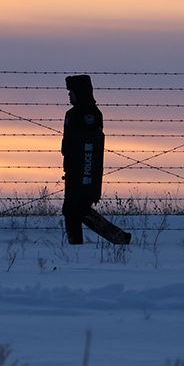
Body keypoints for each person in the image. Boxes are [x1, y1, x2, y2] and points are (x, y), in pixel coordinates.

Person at [60, 75, 131, 245]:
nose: (69, 95)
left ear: (80, 92)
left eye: (72, 92)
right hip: (73, 170)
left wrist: (85, 172)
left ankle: (118, 237)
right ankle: (74, 244)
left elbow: (88, 147)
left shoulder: (89, 113)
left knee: (80, 208)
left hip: (83, 171)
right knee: (70, 209)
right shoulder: (75, 112)